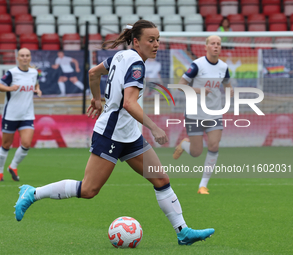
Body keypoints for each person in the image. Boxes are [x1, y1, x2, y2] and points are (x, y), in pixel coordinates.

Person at [14, 20, 215, 246]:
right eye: (151, 40)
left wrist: (96, 98)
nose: (156, 44)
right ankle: (32, 193)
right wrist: (154, 127)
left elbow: (93, 73)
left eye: (158, 39)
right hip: (110, 134)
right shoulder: (137, 65)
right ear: (136, 41)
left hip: (129, 135)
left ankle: (183, 231)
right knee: (89, 189)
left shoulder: (121, 57)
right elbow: (129, 103)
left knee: (161, 179)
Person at [173, 35, 234, 195]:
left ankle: (203, 185)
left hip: (214, 113)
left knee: (214, 145)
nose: (216, 46)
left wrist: (230, 92)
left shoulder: (224, 67)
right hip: (195, 113)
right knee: (196, 152)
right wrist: (198, 90)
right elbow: (180, 86)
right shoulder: (197, 65)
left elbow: (227, 85)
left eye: (218, 44)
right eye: (212, 43)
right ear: (206, 46)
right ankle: (183, 145)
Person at [0, 48, 42, 182]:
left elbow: (36, 84)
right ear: (18, 58)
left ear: (30, 57)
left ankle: (13, 166)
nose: (25, 58)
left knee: (26, 144)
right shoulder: (12, 73)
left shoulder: (34, 73)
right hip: (11, 115)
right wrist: (10, 88)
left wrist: (37, 89)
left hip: (27, 115)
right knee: (6, 145)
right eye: (22, 56)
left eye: (27, 55)